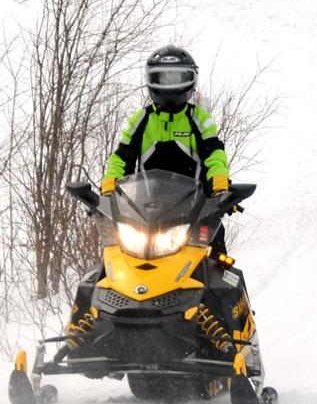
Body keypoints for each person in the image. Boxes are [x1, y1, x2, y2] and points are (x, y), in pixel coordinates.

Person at [102, 45, 237, 260]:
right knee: (113, 259)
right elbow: (122, 156)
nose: (169, 84)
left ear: (191, 79)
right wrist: (110, 182)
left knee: (217, 259)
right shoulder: (141, 120)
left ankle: (224, 281)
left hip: (194, 210)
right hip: (145, 212)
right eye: (163, 78)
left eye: (176, 77)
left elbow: (214, 153)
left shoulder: (199, 119)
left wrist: (220, 182)